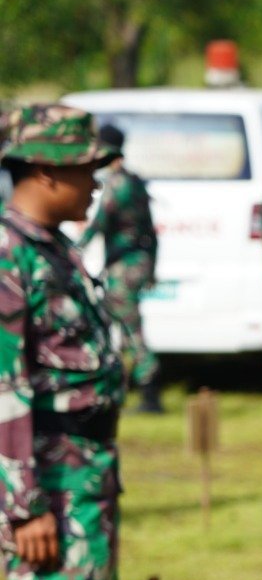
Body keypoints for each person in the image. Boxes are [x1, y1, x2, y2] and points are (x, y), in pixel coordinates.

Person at [0, 105, 137, 580]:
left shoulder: (49, 246)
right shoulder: (8, 256)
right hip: (46, 482)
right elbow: (4, 389)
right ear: (45, 170)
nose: (95, 183)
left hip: (82, 471)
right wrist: (24, 507)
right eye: (85, 170)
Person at [79, 125, 161, 415]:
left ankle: (149, 390)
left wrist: (73, 248)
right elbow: (151, 230)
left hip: (124, 265)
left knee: (128, 326)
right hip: (137, 261)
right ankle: (133, 388)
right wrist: (152, 267)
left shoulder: (117, 184)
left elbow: (100, 221)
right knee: (124, 325)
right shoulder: (136, 182)